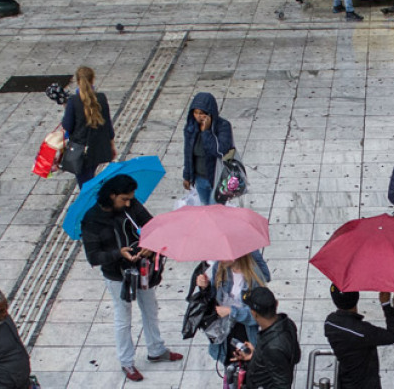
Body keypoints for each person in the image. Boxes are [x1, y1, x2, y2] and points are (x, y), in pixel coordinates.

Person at [81, 174, 183, 382]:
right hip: (117, 275)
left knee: (150, 308)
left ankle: (156, 349)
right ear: (112, 196)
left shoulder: (131, 207)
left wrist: (149, 244)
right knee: (123, 317)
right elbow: (93, 257)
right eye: (124, 199)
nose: (128, 202)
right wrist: (119, 253)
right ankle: (127, 362)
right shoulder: (92, 220)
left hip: (141, 267)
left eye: (130, 199)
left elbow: (151, 225)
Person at [194, 251, 272, 364]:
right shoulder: (219, 268)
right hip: (225, 331)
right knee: (230, 368)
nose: (220, 258)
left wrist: (232, 312)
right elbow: (213, 298)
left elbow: (259, 315)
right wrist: (205, 287)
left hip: (246, 332)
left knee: (247, 370)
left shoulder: (254, 276)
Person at [324, 286, 394, 389]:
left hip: (345, 382)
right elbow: (393, 336)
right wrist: (386, 304)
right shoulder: (362, 332)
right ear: (357, 298)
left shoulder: (330, 322)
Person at [232, 287, 301, 389]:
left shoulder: (272, 348)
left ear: (254, 314)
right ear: (276, 304)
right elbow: (294, 356)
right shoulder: (287, 323)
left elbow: (282, 385)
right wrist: (256, 355)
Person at [61, 66, 116, 186]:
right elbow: (108, 125)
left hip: (80, 149)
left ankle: (91, 203)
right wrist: (112, 145)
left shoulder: (73, 100)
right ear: (93, 80)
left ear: (77, 81)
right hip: (98, 148)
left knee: (85, 184)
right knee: (90, 176)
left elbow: (67, 125)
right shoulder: (101, 98)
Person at [182, 92, 235, 206]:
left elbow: (220, 151)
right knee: (205, 207)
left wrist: (206, 132)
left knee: (216, 211)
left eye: (202, 113)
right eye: (196, 113)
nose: (198, 116)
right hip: (200, 178)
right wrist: (187, 176)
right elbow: (188, 153)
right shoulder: (191, 128)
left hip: (218, 178)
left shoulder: (223, 126)